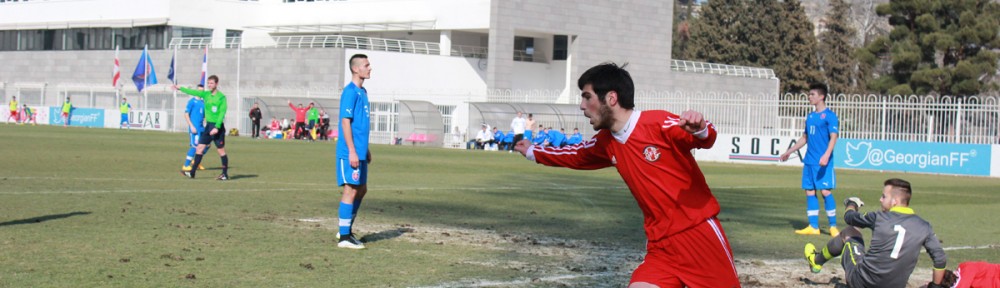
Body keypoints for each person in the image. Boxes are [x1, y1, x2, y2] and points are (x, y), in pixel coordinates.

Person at [513, 63, 739, 287]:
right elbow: (576, 154)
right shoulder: (606, 142)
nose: (582, 106)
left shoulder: (657, 123)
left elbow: (704, 137)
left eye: (587, 97)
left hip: (698, 236)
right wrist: (533, 151)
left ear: (611, 98)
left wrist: (700, 127)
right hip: (661, 245)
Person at [803, 178, 947, 288]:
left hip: (863, 282)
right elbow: (940, 259)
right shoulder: (924, 226)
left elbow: (849, 218)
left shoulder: (879, 217)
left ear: (894, 201)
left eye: (884, 196)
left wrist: (851, 203)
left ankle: (816, 261)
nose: (880, 199)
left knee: (850, 232)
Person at [780, 83, 841, 236]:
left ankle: (833, 226)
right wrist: (789, 151)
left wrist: (826, 155)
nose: (809, 97)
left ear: (822, 96)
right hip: (809, 161)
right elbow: (805, 138)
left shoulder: (830, 116)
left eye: (812, 94)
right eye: (809, 94)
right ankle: (813, 227)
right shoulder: (810, 116)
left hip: (823, 161)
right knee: (809, 191)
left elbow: (834, 137)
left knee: (826, 191)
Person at [335, 53, 373, 249]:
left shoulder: (362, 92)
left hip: (360, 151)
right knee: (350, 189)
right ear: (356, 69)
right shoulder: (349, 92)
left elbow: (361, 126)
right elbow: (345, 122)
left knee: (362, 189)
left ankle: (346, 227)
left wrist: (364, 150)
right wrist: (351, 150)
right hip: (349, 151)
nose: (369, 68)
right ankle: (344, 237)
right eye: (366, 65)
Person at [174, 75, 230, 180]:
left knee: (221, 151)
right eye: (208, 83)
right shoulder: (206, 94)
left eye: (211, 83)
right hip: (208, 126)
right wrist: (180, 88)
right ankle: (192, 172)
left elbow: (222, 113)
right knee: (199, 148)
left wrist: (217, 127)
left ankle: (224, 174)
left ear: (216, 84)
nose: (209, 85)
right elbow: (194, 92)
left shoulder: (222, 97)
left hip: (217, 127)